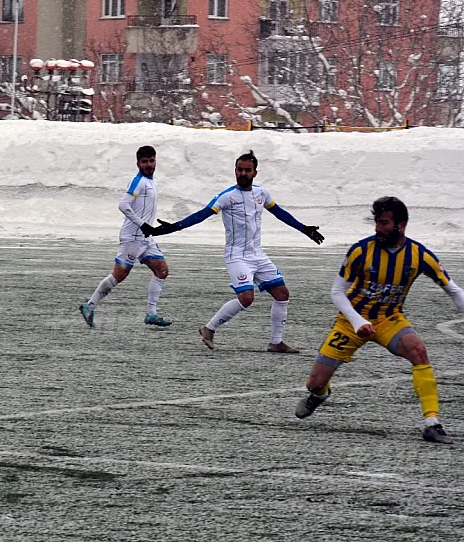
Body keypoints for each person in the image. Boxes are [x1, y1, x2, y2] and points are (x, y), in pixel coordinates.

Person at [295, 197, 464, 444]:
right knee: (314, 383)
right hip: (350, 322)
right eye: (376, 222)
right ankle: (320, 395)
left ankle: (432, 423)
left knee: (419, 351)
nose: (377, 228)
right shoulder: (360, 251)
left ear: (401, 225)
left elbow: (454, 291)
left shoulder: (419, 255)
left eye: (384, 223)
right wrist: (356, 321)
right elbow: (336, 291)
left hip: (389, 319)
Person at [146, 150, 324, 352]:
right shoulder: (227, 197)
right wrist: (173, 227)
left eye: (247, 170)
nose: (243, 173)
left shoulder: (262, 193)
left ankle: (276, 343)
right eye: (239, 170)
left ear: (255, 172)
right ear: (235, 171)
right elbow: (201, 215)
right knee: (247, 298)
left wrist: (305, 229)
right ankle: (209, 329)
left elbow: (280, 213)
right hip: (237, 256)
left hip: (258, 255)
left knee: (282, 294)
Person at [80, 145, 171, 328]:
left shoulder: (152, 182)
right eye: (144, 162)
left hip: (145, 238)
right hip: (132, 237)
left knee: (162, 270)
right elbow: (123, 205)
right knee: (119, 276)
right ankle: (89, 306)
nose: (148, 165)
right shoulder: (138, 181)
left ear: (155, 161)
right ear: (138, 163)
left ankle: (151, 314)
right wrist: (142, 224)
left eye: (151, 161)